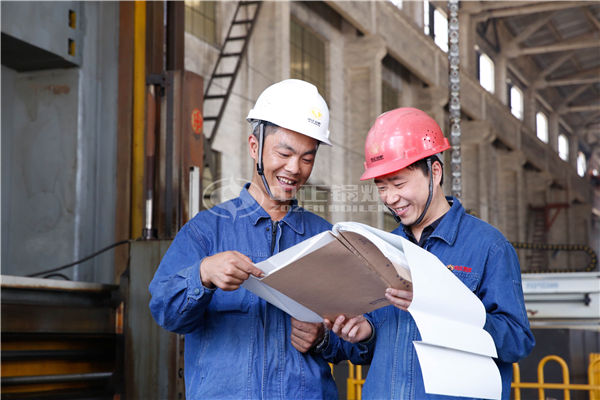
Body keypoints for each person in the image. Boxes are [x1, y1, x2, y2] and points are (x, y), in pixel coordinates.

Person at [324, 107, 535, 399]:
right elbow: (380, 349)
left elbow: (516, 341)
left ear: (434, 172)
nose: (390, 198)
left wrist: (442, 306)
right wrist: (366, 334)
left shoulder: (488, 247)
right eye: (381, 187)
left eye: (398, 183)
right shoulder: (381, 249)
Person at [149, 79, 338, 399]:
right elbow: (164, 311)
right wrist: (202, 275)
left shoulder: (324, 239)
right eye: (284, 152)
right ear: (255, 146)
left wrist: (324, 338)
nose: (294, 168)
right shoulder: (207, 231)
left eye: (307, 158)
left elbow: (360, 339)